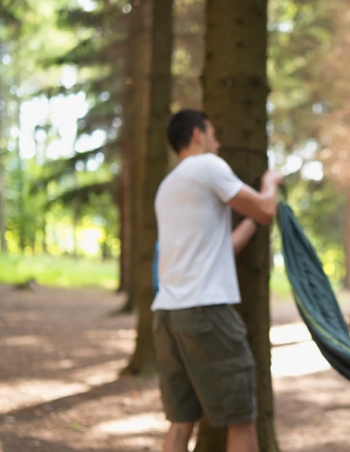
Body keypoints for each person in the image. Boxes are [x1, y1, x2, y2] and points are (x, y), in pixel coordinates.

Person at [151, 109, 284, 452]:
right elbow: (266, 208)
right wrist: (270, 184)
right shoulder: (208, 166)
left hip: (168, 316)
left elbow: (220, 248)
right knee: (241, 420)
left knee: (180, 422)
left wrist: (252, 223)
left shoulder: (167, 186)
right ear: (197, 134)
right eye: (212, 133)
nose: (218, 142)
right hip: (206, 314)